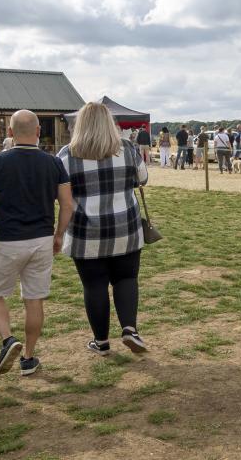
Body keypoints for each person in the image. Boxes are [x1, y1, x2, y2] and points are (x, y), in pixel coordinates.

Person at [0, 110, 73, 376]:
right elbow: (68, 204)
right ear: (38, 132)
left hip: (7, 239)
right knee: (34, 300)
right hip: (41, 239)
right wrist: (59, 234)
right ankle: (28, 357)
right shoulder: (54, 163)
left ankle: (7, 340)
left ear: (10, 133)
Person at [57, 102, 149, 357]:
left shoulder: (67, 154)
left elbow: (58, 193)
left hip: (85, 232)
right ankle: (130, 329)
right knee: (127, 279)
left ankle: (101, 342)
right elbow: (143, 179)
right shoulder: (127, 149)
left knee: (94, 285)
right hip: (125, 228)